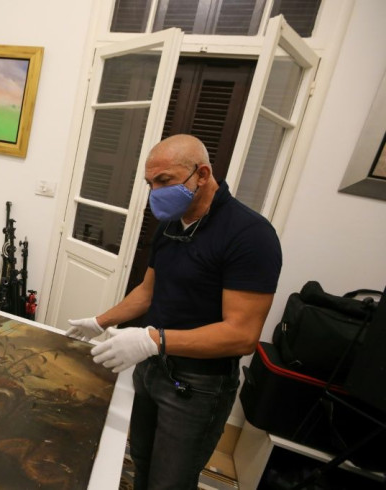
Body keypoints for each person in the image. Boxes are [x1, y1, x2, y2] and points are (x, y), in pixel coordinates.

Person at [66, 134, 282, 490]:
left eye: (164, 181)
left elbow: (242, 335)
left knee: (170, 482)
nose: (155, 193)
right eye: (150, 184)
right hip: (153, 371)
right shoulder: (172, 224)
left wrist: (152, 339)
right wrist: (100, 321)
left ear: (202, 174)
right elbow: (148, 292)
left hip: (197, 387)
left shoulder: (250, 235)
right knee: (142, 464)